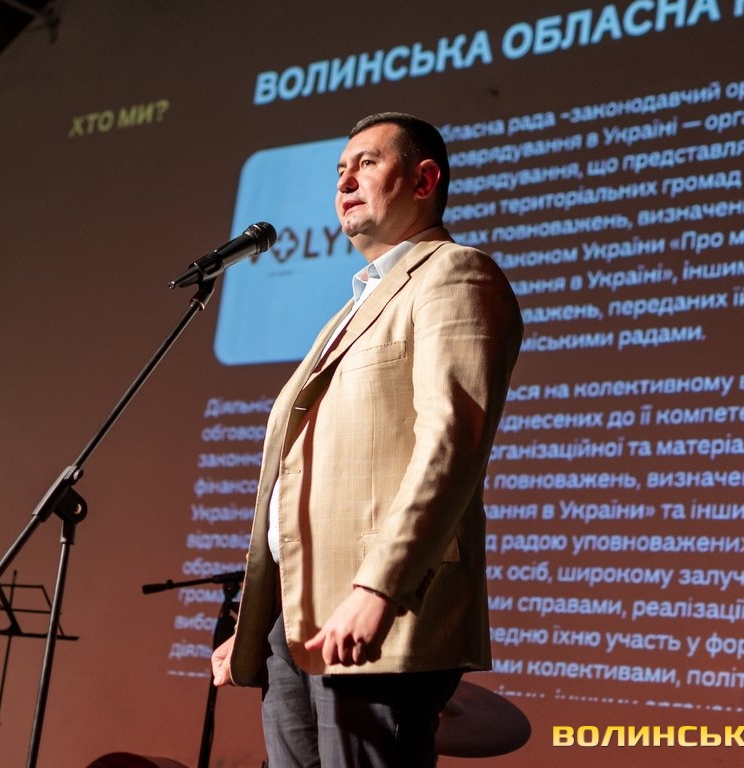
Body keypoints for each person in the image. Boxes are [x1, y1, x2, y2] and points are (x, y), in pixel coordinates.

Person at [211, 112, 523, 767]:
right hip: (296, 616)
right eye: (339, 171)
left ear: (424, 180)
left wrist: (379, 588)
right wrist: (259, 618)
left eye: (367, 163)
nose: (345, 181)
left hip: (376, 607)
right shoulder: (346, 313)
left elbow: (450, 445)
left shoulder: (455, 274)